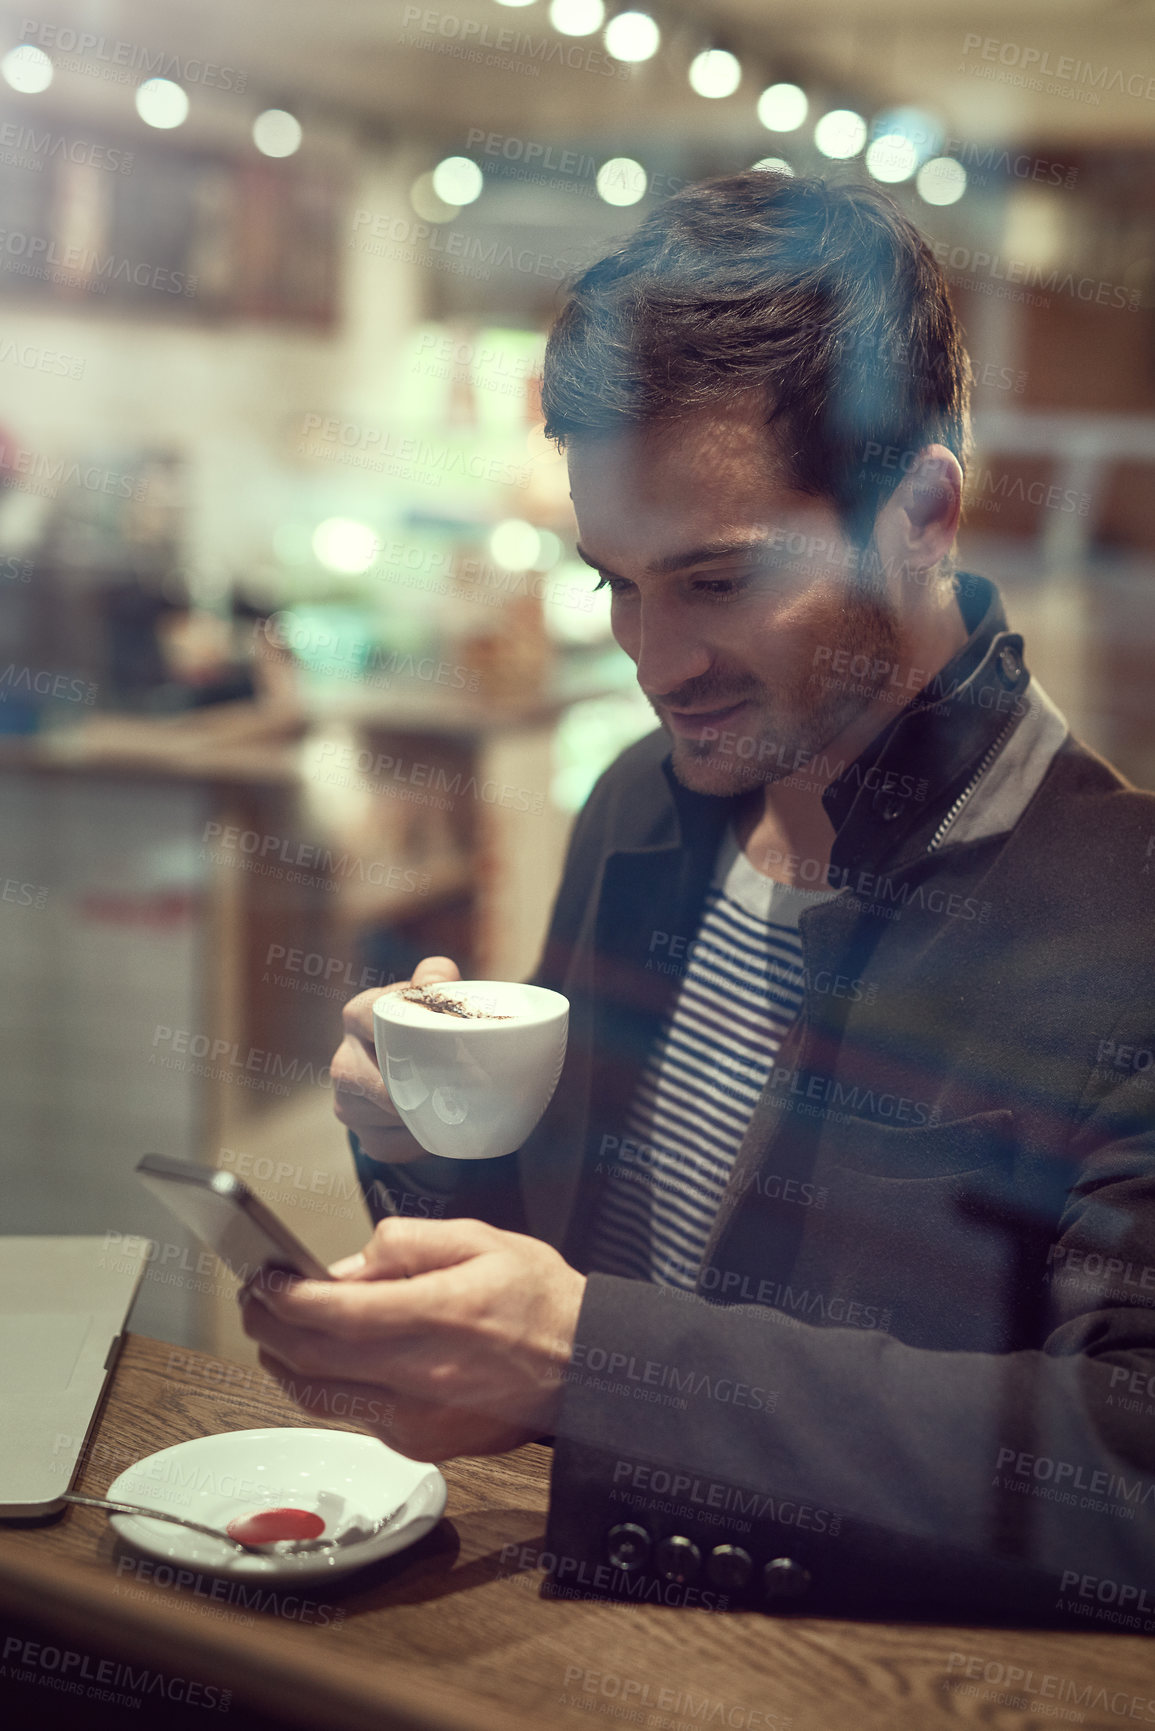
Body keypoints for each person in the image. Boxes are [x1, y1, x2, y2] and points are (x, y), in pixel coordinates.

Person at [240, 172, 1155, 1624]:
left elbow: (1132, 1471)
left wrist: (583, 1362)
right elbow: (563, 1265)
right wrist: (430, 1137)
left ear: (920, 514)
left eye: (717, 582)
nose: (656, 663)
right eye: (615, 583)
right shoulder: (640, 815)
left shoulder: (1127, 920)